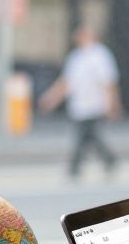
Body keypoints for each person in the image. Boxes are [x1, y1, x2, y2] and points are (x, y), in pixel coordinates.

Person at [38, 25, 122, 179]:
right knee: (89, 136)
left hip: (95, 104)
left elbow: (108, 82)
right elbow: (66, 82)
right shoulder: (75, 57)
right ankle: (109, 160)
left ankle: (76, 167)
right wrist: (51, 98)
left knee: (84, 135)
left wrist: (113, 104)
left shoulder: (100, 55)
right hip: (79, 105)